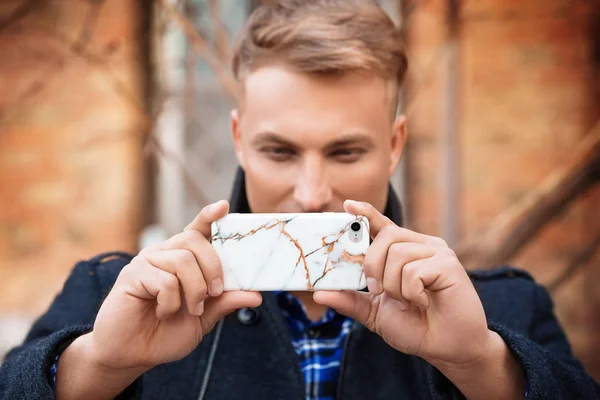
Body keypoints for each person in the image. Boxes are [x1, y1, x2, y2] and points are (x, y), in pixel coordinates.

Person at [1, 0, 598, 399]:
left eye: (345, 153)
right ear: (238, 138)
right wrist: (97, 366)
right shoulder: (114, 297)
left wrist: (481, 365)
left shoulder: (505, 312)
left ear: (394, 147)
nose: (312, 195)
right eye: (280, 152)